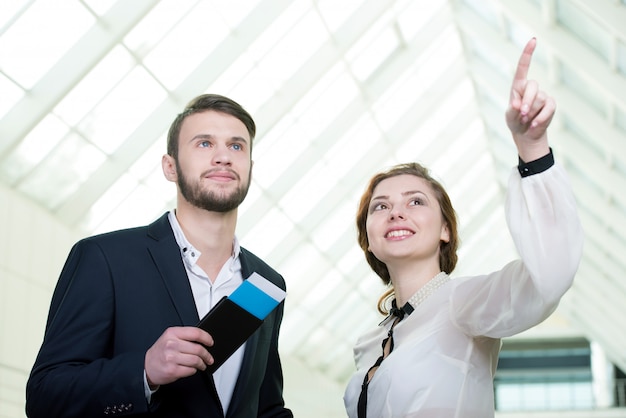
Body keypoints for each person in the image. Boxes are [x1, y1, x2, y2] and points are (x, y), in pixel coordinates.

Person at [343, 38, 584, 418]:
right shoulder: (370, 340)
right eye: (381, 206)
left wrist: (532, 148)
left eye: (416, 201)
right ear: (369, 240)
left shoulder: (465, 302)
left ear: (445, 231)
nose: (396, 212)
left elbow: (548, 279)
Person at [26, 94, 293, 418]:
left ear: (249, 168)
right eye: (204, 144)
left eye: (237, 146)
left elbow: (265, 408)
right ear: (170, 167)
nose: (223, 156)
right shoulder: (106, 259)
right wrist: (143, 372)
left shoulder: (264, 284)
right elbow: (44, 397)